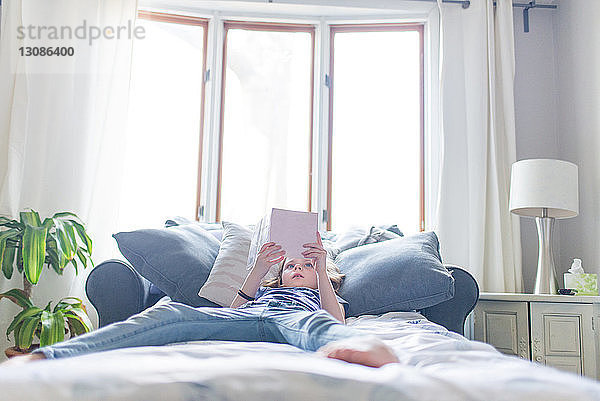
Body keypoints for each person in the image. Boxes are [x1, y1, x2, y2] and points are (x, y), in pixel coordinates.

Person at [5, 232, 398, 368]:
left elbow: (335, 317)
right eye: (292, 265)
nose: (297, 268)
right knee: (172, 311)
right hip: (254, 315)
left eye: (305, 266)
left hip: (294, 320)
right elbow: (232, 313)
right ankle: (49, 356)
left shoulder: (316, 294)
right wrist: (261, 268)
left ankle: (369, 348)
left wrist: (322, 268)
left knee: (320, 328)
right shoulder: (268, 285)